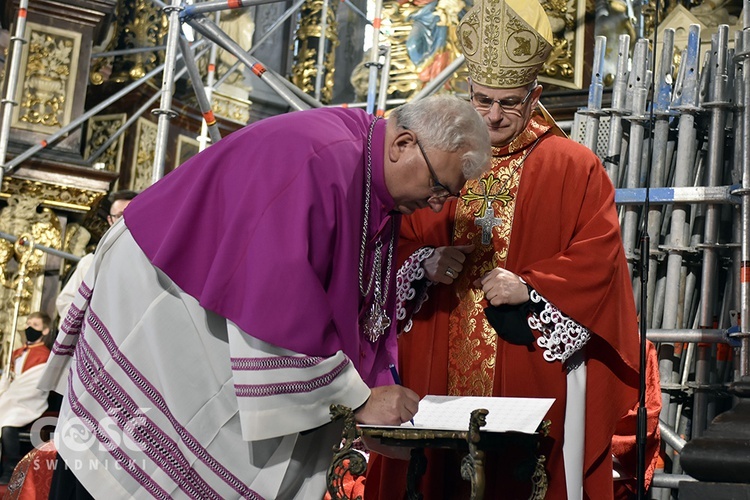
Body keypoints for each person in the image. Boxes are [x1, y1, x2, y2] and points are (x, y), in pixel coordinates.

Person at [38, 95, 491, 499]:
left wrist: (366, 402)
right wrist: (356, 401)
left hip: (220, 318)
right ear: (404, 144)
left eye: (447, 196)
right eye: (438, 186)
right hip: (168, 306)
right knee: (138, 462)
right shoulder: (317, 155)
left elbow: (355, 308)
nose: (437, 204)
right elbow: (276, 301)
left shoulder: (375, 184)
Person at [365, 0, 659, 498]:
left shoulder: (573, 166)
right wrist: (423, 263)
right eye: (482, 100)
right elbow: (384, 244)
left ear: (534, 94)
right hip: (436, 356)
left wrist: (531, 285)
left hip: (527, 363)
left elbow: (600, 260)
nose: (495, 116)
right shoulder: (434, 157)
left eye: (509, 101)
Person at [55, 189, 139, 321]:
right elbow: (66, 301)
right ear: (110, 220)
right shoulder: (90, 262)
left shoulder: (150, 260)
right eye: (120, 216)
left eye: (131, 214)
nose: (125, 221)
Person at [0, 311, 54, 485]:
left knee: (9, 423)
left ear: (45, 331)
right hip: (12, 397)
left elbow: (35, 384)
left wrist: (14, 393)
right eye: (28, 323)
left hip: (28, 401)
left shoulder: (45, 355)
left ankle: (11, 468)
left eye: (35, 325)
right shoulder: (16, 353)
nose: (29, 327)